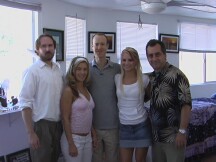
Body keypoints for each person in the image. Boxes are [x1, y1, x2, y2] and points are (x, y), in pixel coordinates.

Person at [19, 34, 64, 162]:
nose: (47, 49)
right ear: (37, 50)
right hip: (41, 127)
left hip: (58, 125)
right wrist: (31, 133)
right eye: (43, 46)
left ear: (54, 48)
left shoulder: (58, 70)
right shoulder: (33, 71)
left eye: (50, 46)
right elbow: (25, 103)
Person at [145, 39, 192, 162]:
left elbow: (186, 105)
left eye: (157, 54)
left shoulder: (177, 75)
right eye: (150, 55)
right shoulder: (151, 78)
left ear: (165, 55)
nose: (154, 58)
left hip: (174, 137)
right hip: (156, 138)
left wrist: (182, 132)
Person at [114, 47, 152, 162]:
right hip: (124, 127)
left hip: (142, 126)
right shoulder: (117, 78)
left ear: (136, 61)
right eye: (124, 60)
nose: (126, 63)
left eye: (130, 60)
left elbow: (149, 96)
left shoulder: (144, 79)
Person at [88, 33, 121, 162]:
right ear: (92, 46)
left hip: (113, 126)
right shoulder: (86, 69)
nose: (99, 47)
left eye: (102, 44)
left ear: (107, 46)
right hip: (93, 127)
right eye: (96, 44)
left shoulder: (117, 69)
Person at [60, 56, 96, 162]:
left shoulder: (85, 89)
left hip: (87, 139)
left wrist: (93, 134)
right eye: (79, 69)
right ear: (73, 71)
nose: (82, 72)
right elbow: (65, 118)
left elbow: (88, 114)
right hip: (74, 139)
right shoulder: (68, 91)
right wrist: (71, 144)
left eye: (85, 69)